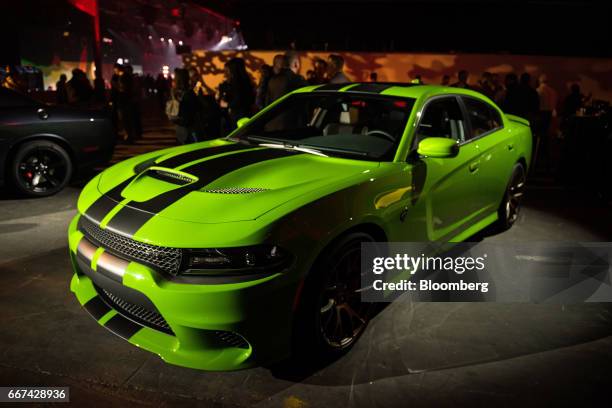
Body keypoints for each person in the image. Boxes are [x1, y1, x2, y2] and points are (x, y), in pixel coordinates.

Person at [218, 57, 255, 128]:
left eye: (228, 70)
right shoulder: (245, 81)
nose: (226, 73)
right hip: (242, 113)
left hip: (239, 115)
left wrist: (227, 104)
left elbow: (239, 99)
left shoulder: (238, 83)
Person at [170, 68, 201, 144]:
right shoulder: (190, 92)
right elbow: (198, 105)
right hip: (190, 126)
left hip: (179, 124)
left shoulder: (174, 91)